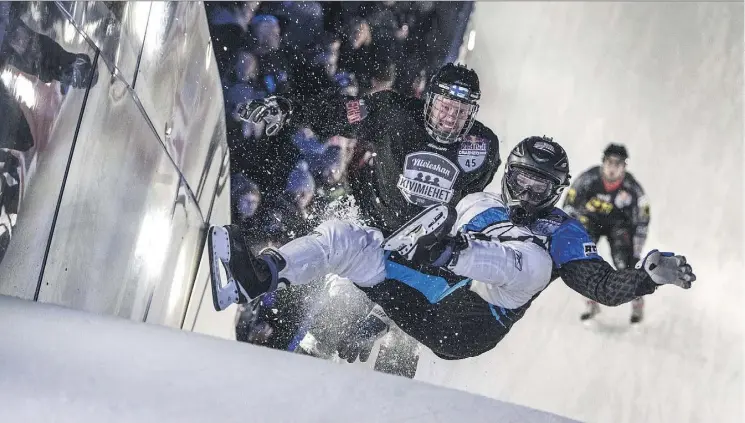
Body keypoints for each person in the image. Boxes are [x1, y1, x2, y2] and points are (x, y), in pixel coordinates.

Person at [208, 137, 696, 360]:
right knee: (345, 238)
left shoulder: (561, 229)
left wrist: (647, 276)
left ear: (556, 190)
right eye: (523, 180)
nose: (528, 194)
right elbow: (410, 246)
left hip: (474, 323)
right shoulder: (478, 199)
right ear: (510, 174)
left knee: (531, 263)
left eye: (540, 186)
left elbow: (602, 283)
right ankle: (257, 279)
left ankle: (429, 282)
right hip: (433, 295)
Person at [234, 62, 501, 371]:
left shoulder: (483, 148)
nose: (450, 118)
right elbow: (339, 114)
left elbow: (469, 218)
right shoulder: (392, 111)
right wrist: (291, 108)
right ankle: (298, 371)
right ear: (428, 100)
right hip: (373, 235)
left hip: (423, 260)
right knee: (333, 322)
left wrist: (386, 316)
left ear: (472, 113)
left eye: (460, 110)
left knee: (400, 350)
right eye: (444, 106)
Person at [563, 144, 650, 323]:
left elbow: (643, 221)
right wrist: (571, 236)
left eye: (618, 164)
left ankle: (637, 301)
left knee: (624, 263)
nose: (612, 168)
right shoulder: (588, 179)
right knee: (583, 259)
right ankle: (590, 300)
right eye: (609, 162)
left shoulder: (633, 189)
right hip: (590, 222)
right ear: (603, 162)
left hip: (619, 226)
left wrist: (636, 251)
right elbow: (568, 206)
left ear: (625, 166)